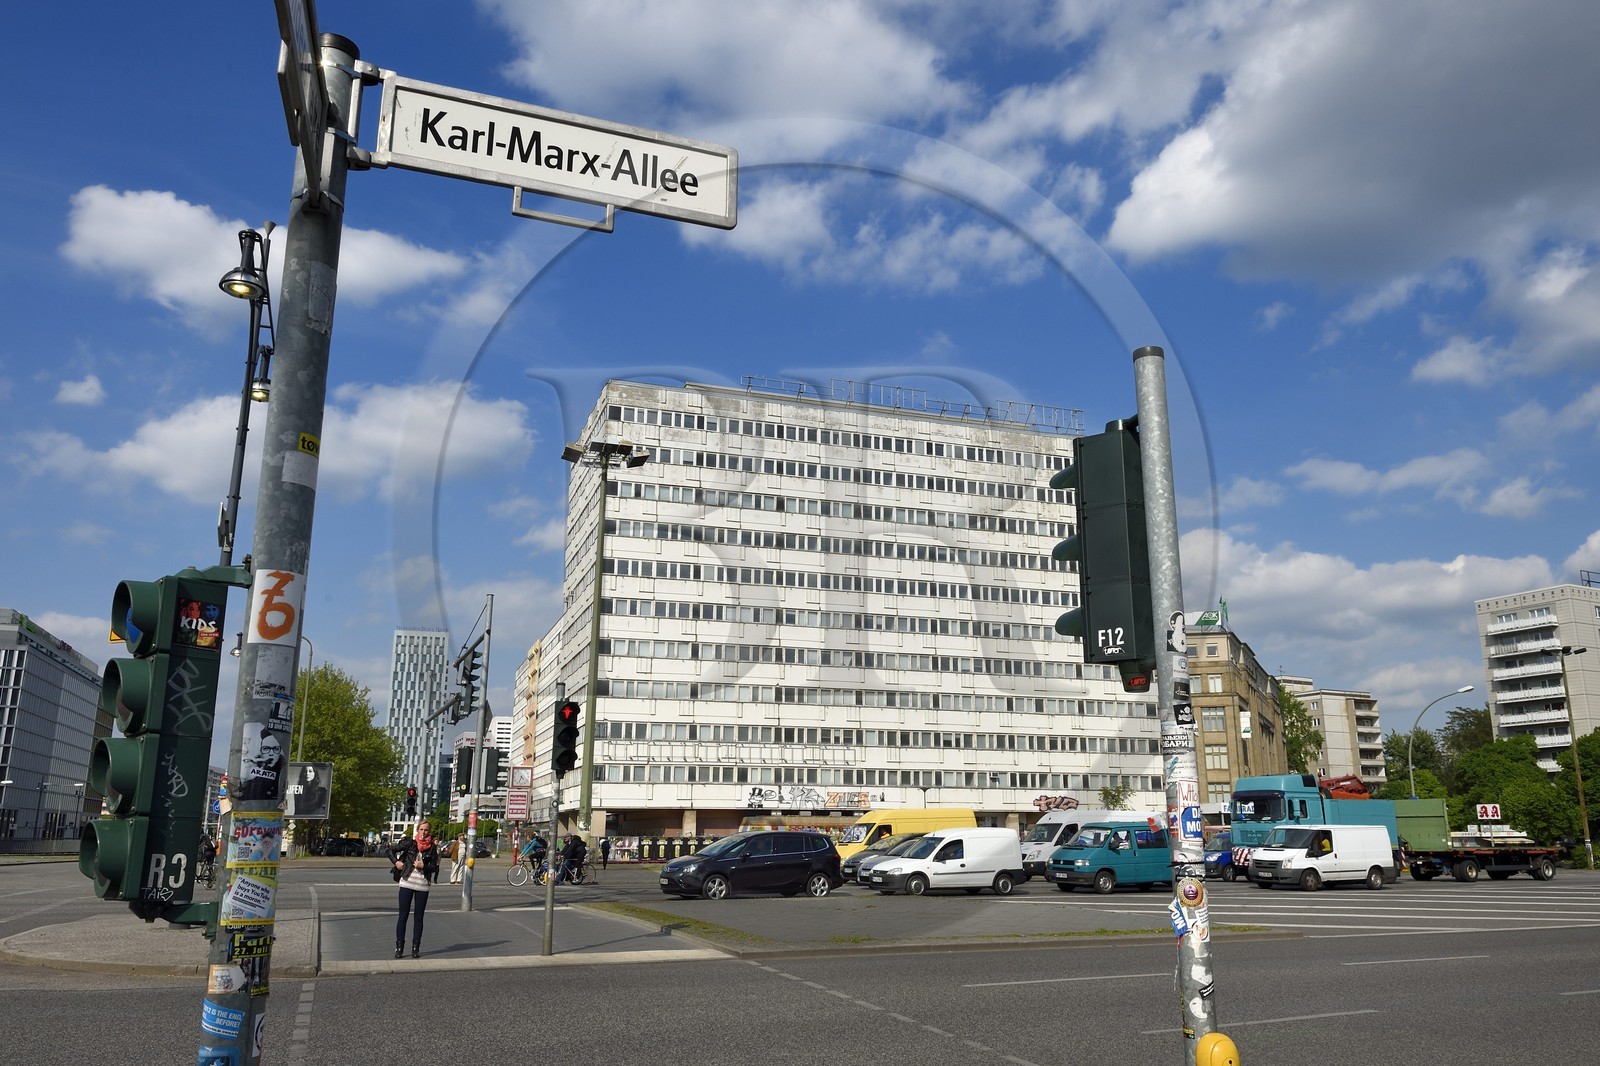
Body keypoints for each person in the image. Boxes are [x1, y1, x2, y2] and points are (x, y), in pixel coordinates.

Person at [387, 822, 440, 958]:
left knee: (419, 918)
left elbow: (435, 867)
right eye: (421, 829)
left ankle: (415, 948)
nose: (424, 832)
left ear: (430, 832)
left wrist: (424, 866)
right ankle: (399, 948)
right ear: (417, 830)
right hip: (407, 882)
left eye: (426, 830)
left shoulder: (433, 847)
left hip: (422, 885)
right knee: (402, 916)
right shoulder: (410, 843)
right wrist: (396, 862)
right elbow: (390, 850)